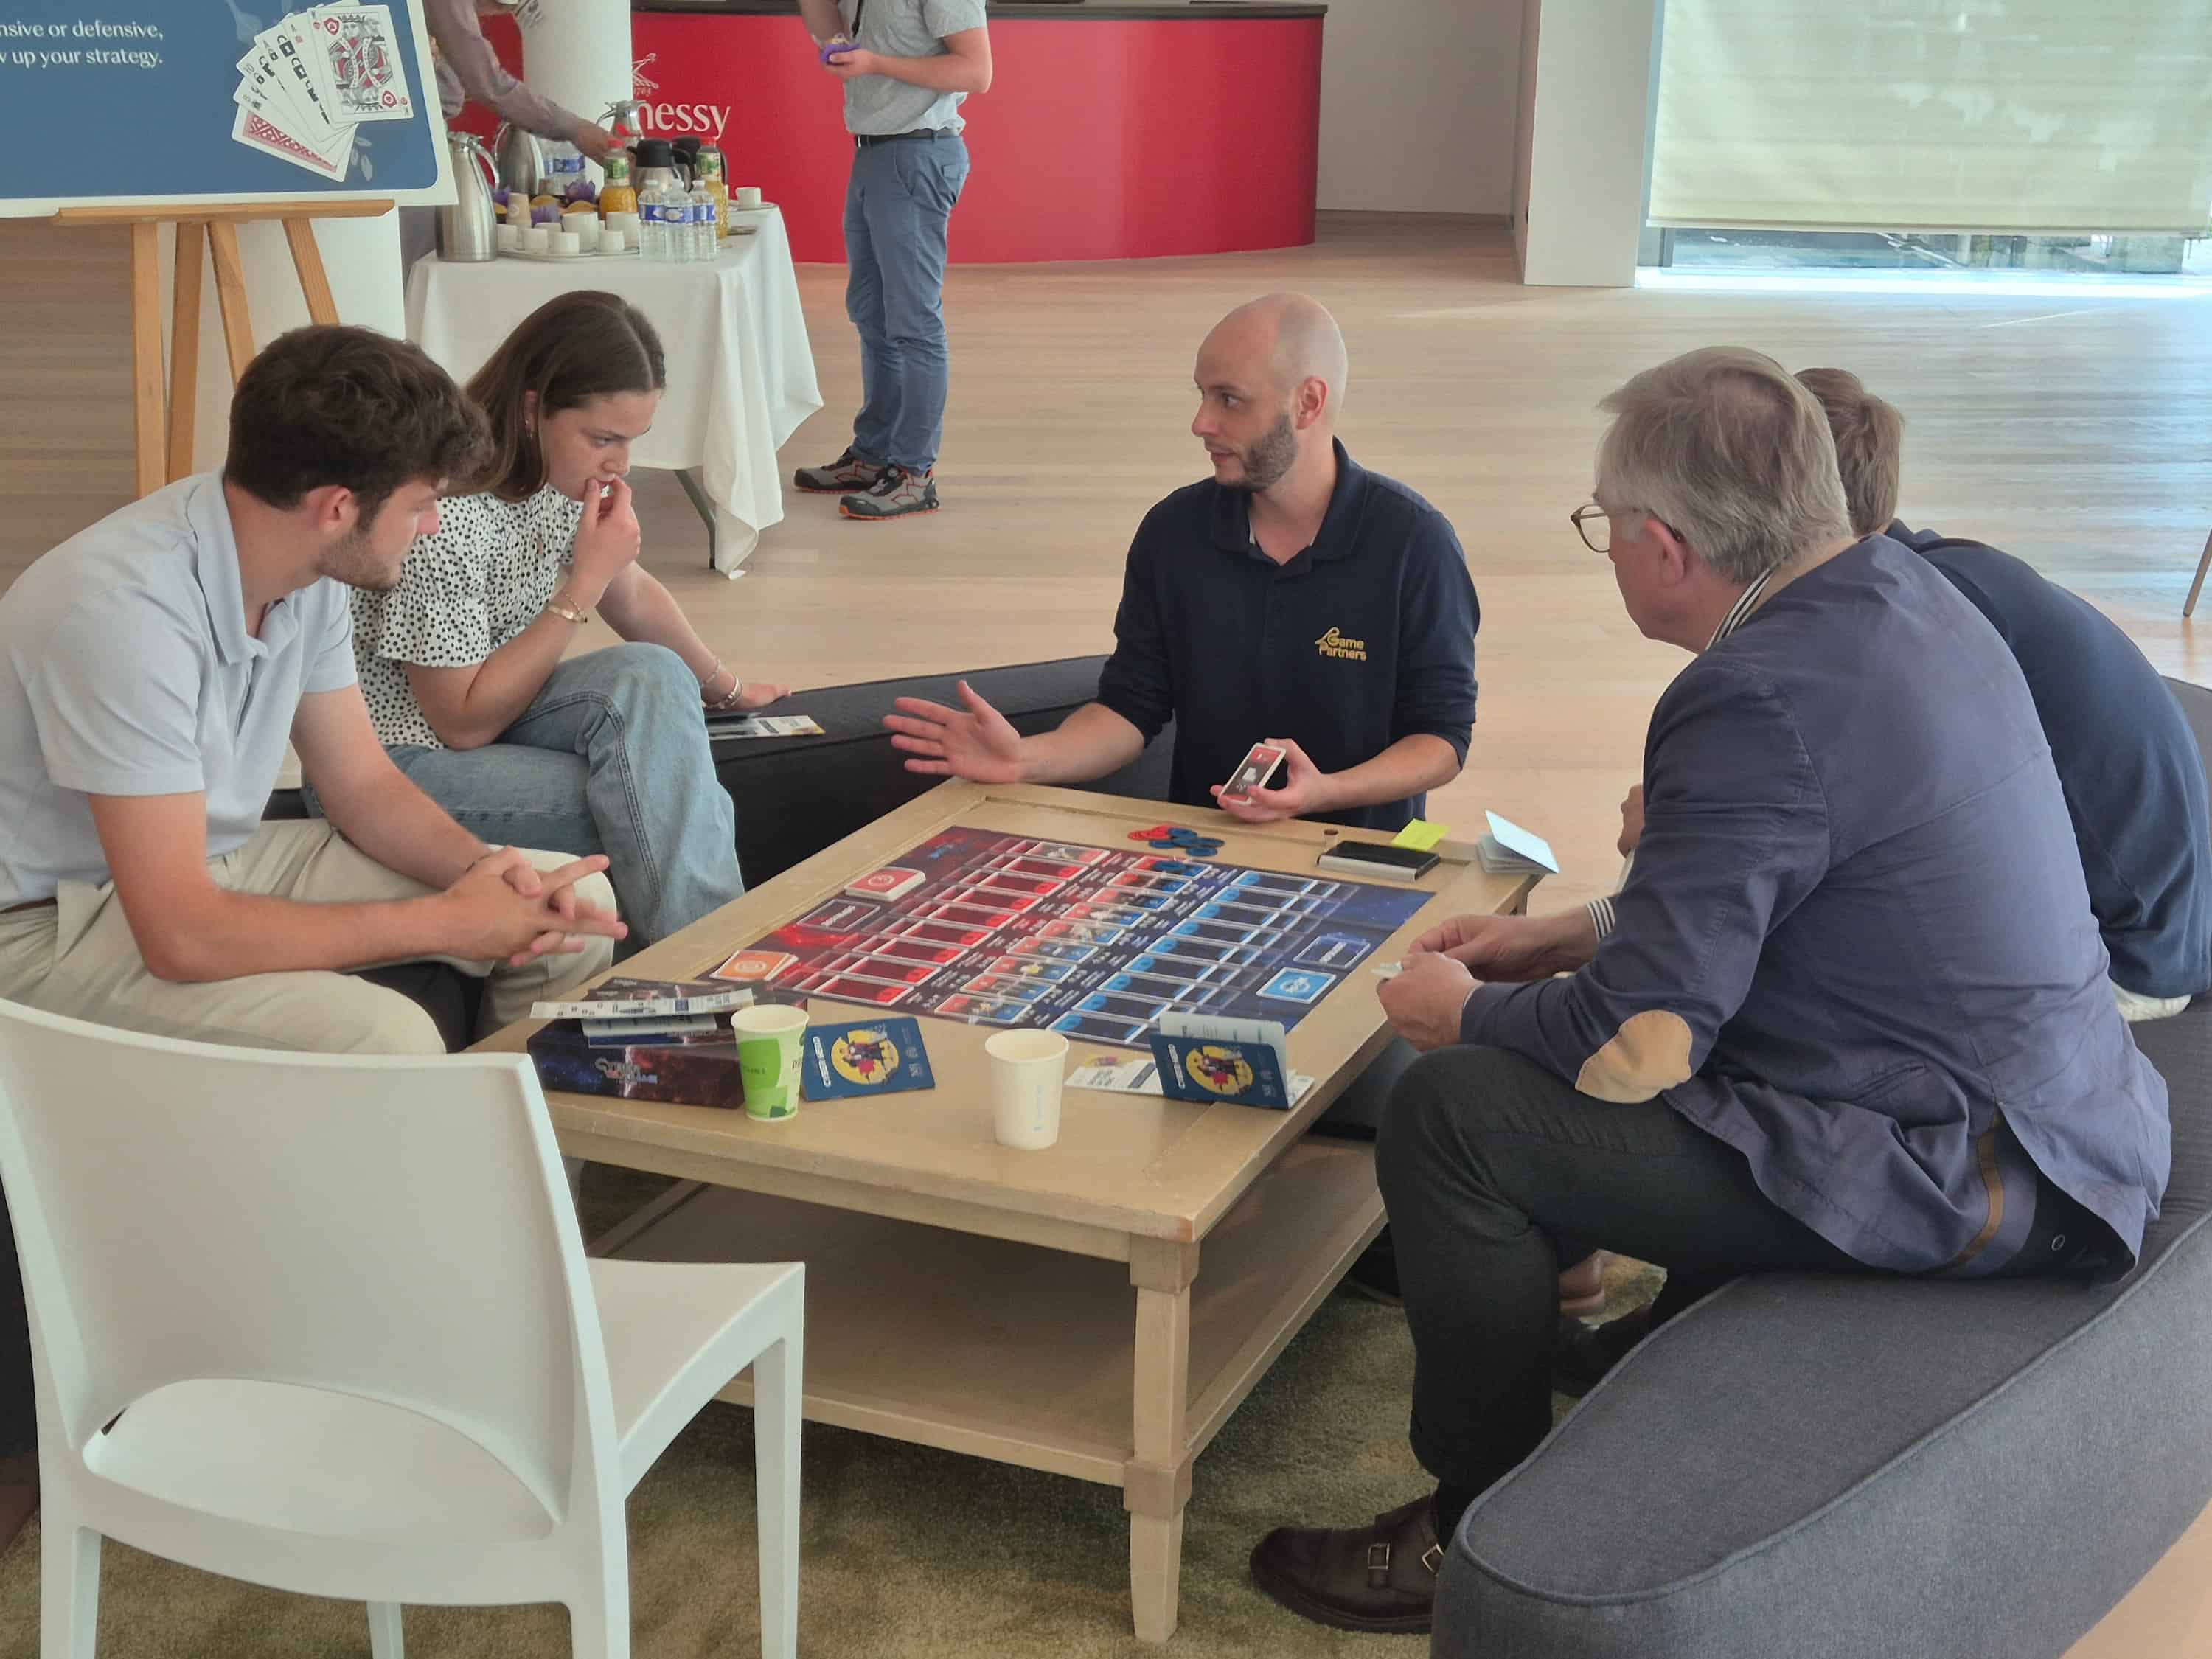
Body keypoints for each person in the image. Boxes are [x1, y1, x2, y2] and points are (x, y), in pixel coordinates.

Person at [1246, 347, 2171, 1635]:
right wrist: (1560, 937)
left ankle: (1479, 1534)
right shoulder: (1905, 594)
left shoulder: (1746, 695)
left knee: (1454, 1115)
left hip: (1971, 1176)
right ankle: (1617, 1363)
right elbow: (1787, 894)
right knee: (1546, 1058)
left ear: (1665, 544)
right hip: (2065, 1118)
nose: (1609, 551)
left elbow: (1637, 1046)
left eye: (1603, 527)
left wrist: (1468, 1015)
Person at [0, 324, 627, 1059]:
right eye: (422, 504)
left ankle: (520, 1164)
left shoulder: (306, 564)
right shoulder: (122, 616)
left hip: (205, 862)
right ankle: (460, 1153)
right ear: (337, 507)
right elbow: (180, 934)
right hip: (42, 926)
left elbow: (361, 783)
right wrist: (448, 923)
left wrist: (489, 877)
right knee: (386, 1039)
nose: (430, 528)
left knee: (565, 908)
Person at [883, 294, 1479, 835]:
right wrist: (1027, 758)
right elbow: (1131, 707)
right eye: (1201, 395)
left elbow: (1442, 739)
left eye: (1229, 400)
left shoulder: (1414, 544)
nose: (1201, 423)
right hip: (1199, 853)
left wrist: (1324, 793)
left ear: (1308, 402)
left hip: (1359, 859)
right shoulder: (1174, 532)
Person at [335, 292, 785, 946]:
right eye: (603, 439)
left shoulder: (553, 478)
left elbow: (628, 591)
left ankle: (700, 967)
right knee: (661, 803)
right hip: (402, 763)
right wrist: (584, 582)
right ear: (530, 409)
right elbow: (459, 724)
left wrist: (729, 689)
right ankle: (714, 974)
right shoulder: (444, 519)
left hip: (500, 706)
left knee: (654, 680)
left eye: (632, 441)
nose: (621, 464)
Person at [1795, 366, 2211, 1022]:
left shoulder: (1919, 620)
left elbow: (1877, 825)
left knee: (1801, 974)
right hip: (2156, 911)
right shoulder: (1932, 569)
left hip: (2126, 956)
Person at [790, 0, 992, 521]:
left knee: (913, 322)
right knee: (873, 316)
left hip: (917, 154)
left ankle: (913, 473)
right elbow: (831, 31)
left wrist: (876, 63)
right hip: (874, 153)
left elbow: (977, 69)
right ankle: (873, 453)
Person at [402, 0, 621, 271]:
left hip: (416, 139)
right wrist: (577, 129)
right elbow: (489, 85)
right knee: (416, 268)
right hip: (407, 143)